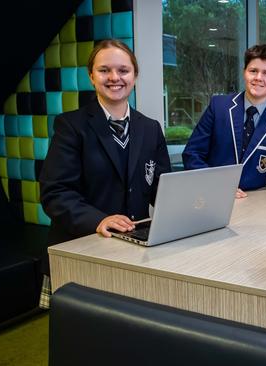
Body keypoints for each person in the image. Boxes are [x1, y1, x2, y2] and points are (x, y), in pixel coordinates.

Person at [39, 40, 171, 306]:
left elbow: (162, 187)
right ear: (91, 76)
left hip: (134, 251)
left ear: (134, 76)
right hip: (84, 246)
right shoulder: (71, 126)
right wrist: (98, 220)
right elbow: (55, 192)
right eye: (104, 70)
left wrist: (190, 208)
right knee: (82, 336)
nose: (114, 77)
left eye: (123, 70)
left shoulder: (150, 128)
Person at [182, 44, 266, 200]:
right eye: (253, 71)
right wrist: (218, 185)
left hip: (254, 203)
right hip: (212, 197)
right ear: (244, 72)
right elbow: (192, 154)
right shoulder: (219, 106)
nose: (258, 78)